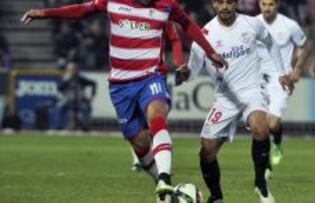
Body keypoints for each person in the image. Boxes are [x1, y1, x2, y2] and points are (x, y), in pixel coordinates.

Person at [21, 0, 227, 201]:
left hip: (150, 77)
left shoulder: (167, 5)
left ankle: (164, 176)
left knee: (157, 116)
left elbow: (187, 26)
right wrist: (44, 14)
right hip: (120, 85)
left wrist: (210, 52)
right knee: (139, 143)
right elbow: (82, 10)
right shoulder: (112, 2)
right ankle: (162, 185)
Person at [176, 0, 293, 202]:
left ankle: (261, 185)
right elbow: (193, 73)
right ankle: (217, 196)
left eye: (229, 2)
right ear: (213, 4)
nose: (225, 7)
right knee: (206, 151)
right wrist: (185, 73)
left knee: (261, 127)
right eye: (220, 2)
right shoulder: (205, 35)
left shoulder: (251, 24)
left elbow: (271, 43)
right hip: (225, 99)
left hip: (252, 90)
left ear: (235, 3)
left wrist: (282, 72)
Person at [257, 0, 311, 168]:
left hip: (281, 79)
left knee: (272, 124)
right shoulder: (253, 24)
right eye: (264, 4)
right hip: (257, 78)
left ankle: (277, 143)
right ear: (259, 5)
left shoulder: (289, 25)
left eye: (270, 4)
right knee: (260, 125)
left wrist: (297, 70)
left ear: (277, 5)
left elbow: (306, 46)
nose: (267, 8)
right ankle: (265, 166)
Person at [131, 21, 184, 172]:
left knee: (156, 119)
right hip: (131, 76)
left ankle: (159, 159)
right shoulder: (127, 15)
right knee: (137, 121)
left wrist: (179, 64)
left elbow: (175, 39)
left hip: (156, 75)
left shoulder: (161, 15)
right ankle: (140, 159)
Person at [55, 62, 97, 130]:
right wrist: (67, 80)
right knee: (59, 107)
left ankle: (85, 127)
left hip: (79, 101)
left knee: (86, 108)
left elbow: (94, 83)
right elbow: (59, 88)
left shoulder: (80, 78)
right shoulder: (65, 78)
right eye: (69, 69)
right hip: (68, 100)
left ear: (76, 69)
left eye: (72, 69)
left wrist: (93, 95)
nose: (71, 71)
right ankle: (58, 126)